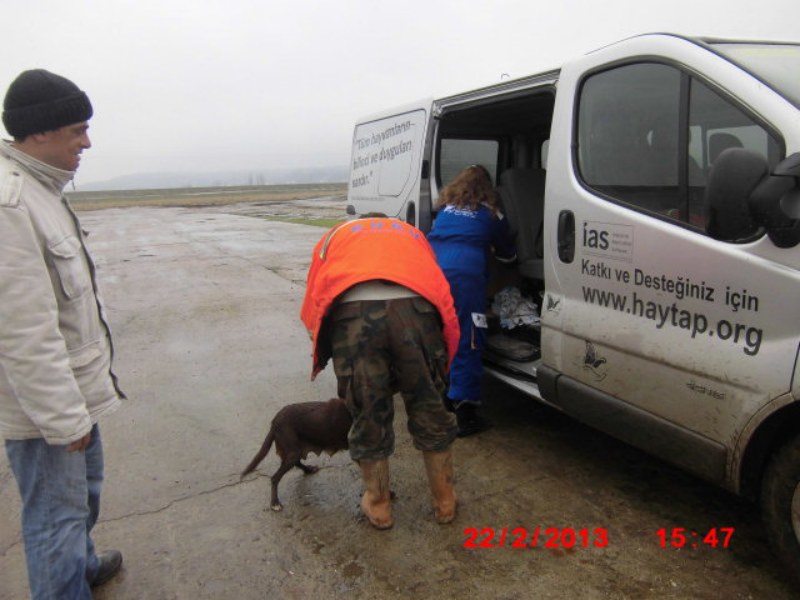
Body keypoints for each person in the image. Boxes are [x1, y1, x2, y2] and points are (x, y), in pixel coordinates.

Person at [0, 69, 125, 598]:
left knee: (82, 499)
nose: (87, 142)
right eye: (77, 129)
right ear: (40, 132)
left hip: (75, 394)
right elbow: (22, 331)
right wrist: (62, 418)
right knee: (55, 518)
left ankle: (83, 563)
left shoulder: (41, 190)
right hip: (48, 410)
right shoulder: (11, 205)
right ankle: (64, 581)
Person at [300, 216, 460, 529]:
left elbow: (315, 298)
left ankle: (379, 504)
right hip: (418, 308)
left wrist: (325, 344)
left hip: (353, 311)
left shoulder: (336, 235)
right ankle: (445, 500)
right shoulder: (412, 234)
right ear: (390, 222)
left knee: (368, 411)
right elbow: (439, 287)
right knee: (430, 407)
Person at [428, 165, 517, 436]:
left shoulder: (445, 210)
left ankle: (443, 397)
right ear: (488, 189)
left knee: (443, 334)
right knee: (470, 337)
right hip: (464, 276)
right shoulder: (491, 213)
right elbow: (507, 254)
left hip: (433, 271)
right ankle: (465, 412)